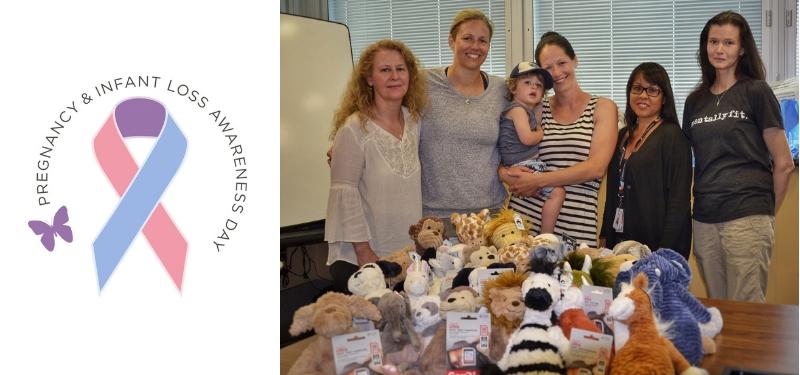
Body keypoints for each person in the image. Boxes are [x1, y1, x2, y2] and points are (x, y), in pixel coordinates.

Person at [683, 11, 794, 302]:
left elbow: (783, 163)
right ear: (704, 46)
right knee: (718, 309)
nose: (719, 49)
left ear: (742, 48)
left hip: (747, 214)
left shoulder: (756, 91)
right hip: (705, 218)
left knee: (747, 311)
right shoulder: (695, 101)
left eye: (729, 43)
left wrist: (766, 213)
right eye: (713, 41)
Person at [324, 39, 427, 293]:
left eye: (400, 69)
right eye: (385, 70)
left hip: (404, 256)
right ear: (369, 78)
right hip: (363, 261)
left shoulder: (414, 122)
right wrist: (364, 252)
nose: (394, 76)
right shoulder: (354, 128)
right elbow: (344, 195)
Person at [501, 31, 618, 247]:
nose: (556, 72)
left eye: (562, 62)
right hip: (524, 218)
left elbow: (595, 168)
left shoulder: (603, 108)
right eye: (547, 67)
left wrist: (539, 180)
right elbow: (506, 152)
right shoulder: (536, 107)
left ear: (575, 60)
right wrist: (506, 174)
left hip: (576, 227)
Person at [419, 8, 508, 231]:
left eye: (482, 40)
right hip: (435, 218)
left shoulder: (502, 90)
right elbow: (383, 105)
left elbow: (526, 124)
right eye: (467, 38)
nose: (475, 46)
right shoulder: (422, 83)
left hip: (490, 215)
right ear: (452, 41)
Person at [599, 62, 692, 258]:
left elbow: (679, 201)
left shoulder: (673, 136)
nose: (643, 95)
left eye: (652, 90)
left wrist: (664, 251)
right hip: (620, 240)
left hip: (657, 243)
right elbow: (613, 190)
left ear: (664, 97)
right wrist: (605, 234)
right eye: (637, 88)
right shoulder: (622, 135)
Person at [498, 61, 565, 234]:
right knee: (557, 193)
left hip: (523, 164)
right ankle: (546, 235)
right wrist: (540, 134)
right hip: (523, 165)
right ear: (513, 88)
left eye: (538, 85)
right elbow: (527, 138)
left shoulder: (525, 110)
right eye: (527, 83)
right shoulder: (518, 111)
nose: (533, 87)